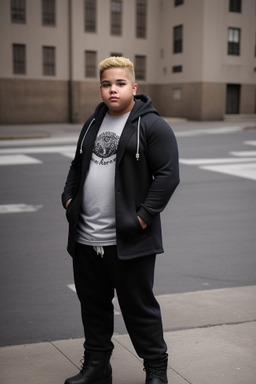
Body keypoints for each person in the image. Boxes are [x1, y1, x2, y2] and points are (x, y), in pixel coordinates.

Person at [62, 56, 179, 384]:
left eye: (120, 83)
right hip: (86, 238)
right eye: (106, 84)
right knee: (93, 306)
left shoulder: (152, 125)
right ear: (100, 89)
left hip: (130, 240)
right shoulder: (91, 123)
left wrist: (141, 219)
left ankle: (156, 370)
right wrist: (69, 201)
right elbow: (76, 165)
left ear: (134, 87)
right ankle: (97, 367)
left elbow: (168, 176)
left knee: (139, 309)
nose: (112, 89)